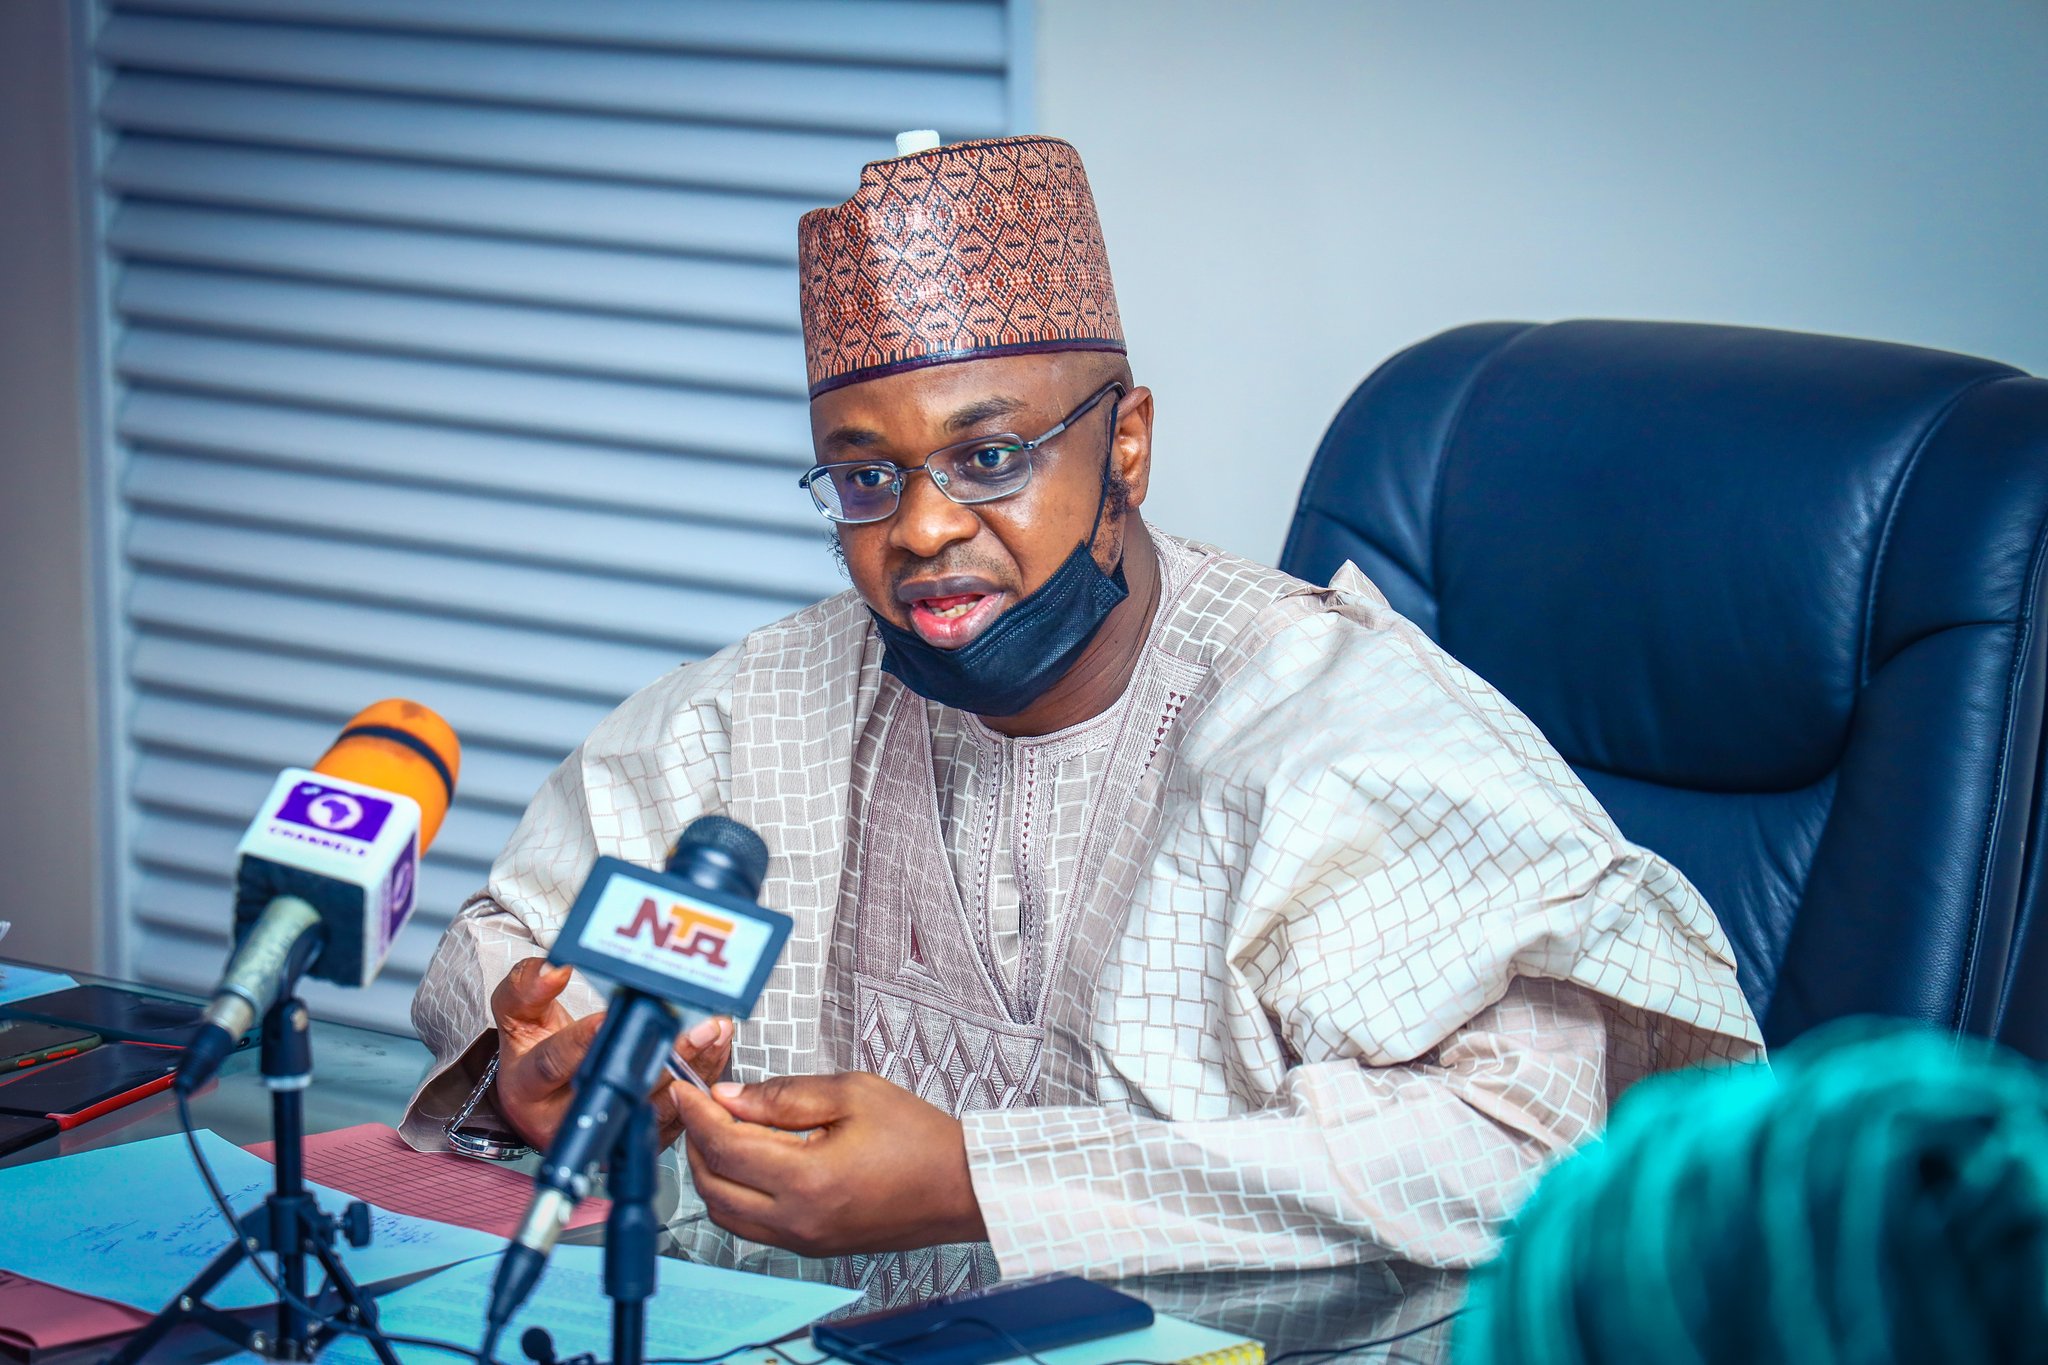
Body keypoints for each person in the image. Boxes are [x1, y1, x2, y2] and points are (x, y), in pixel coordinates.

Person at [403, 133, 1761, 1307]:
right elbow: (511, 938)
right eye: (866, 478)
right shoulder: (763, 703)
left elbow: (1532, 1144)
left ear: (1127, 444)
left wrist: (982, 1180)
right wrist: (543, 1063)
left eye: (988, 457)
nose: (921, 529)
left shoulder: (1335, 732)